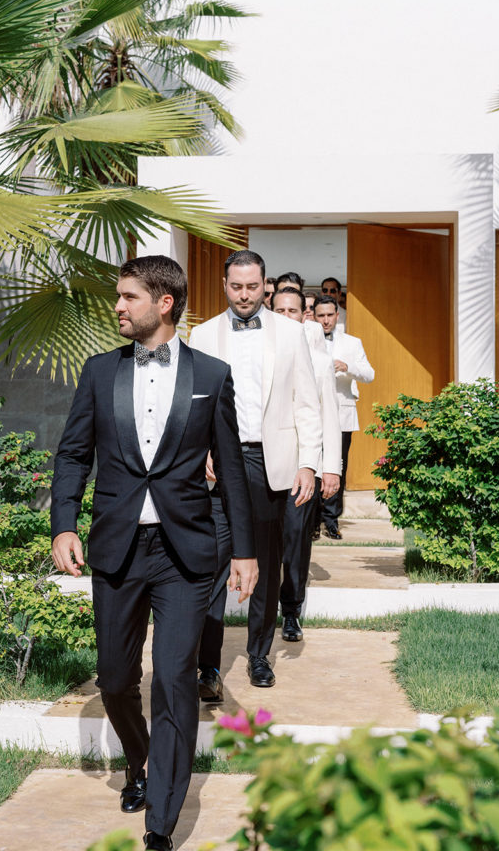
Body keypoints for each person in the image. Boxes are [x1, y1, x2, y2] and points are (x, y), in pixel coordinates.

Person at [50, 255, 258, 851]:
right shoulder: (99, 372)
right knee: (116, 679)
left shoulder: (211, 375)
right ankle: (138, 760)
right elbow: (73, 454)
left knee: (173, 679)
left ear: (164, 303)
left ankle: (161, 822)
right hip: (117, 548)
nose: (117, 306)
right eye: (119, 296)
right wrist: (64, 524)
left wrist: (245, 551)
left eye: (128, 297)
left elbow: (233, 470)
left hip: (184, 551)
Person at [189, 250, 321, 690]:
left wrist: (308, 463)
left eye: (251, 287)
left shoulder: (291, 332)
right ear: (224, 286)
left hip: (269, 463)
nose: (244, 295)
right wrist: (198, 450)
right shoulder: (202, 334)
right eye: (236, 286)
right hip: (217, 467)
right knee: (212, 564)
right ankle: (208, 668)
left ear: (264, 286)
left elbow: (307, 402)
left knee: (265, 563)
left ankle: (259, 655)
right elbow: (192, 403)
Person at [271, 288, 341, 641]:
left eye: (293, 311)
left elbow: (330, 415)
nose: (286, 317)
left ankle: (291, 610)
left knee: (296, 539)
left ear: (304, 316)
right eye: (280, 310)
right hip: (261, 465)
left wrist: (331, 467)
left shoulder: (320, 359)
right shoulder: (261, 352)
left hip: (303, 466)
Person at [313, 294, 374, 540]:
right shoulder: (305, 340)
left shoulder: (352, 343)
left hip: (342, 415)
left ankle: (331, 520)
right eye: (321, 315)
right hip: (313, 416)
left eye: (330, 315)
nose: (326, 320)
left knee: (338, 467)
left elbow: (369, 374)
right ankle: (312, 521)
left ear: (337, 316)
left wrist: (348, 367)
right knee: (313, 466)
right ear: (314, 317)